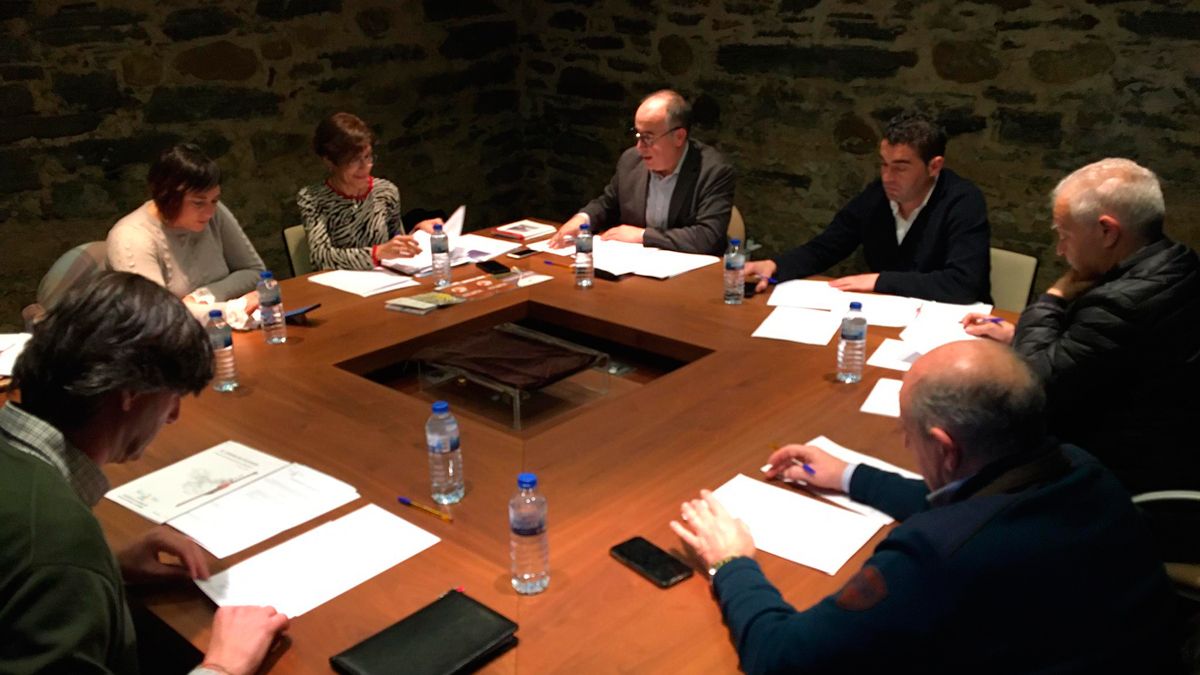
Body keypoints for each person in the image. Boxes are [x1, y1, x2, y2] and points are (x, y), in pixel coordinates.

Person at [671, 340, 1176, 674]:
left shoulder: (936, 557)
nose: (907, 447)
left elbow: (782, 660)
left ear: (945, 447)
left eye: (907, 436)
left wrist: (731, 563)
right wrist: (848, 475)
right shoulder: (1080, 469)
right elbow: (972, 502)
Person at [1, 272, 288, 674]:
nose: (173, 416)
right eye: (172, 396)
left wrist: (107, 569)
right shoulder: (56, 540)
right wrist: (225, 664)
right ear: (131, 392)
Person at [963, 158, 1200, 493]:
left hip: (1116, 470)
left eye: (1064, 235)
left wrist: (1053, 297)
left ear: (1107, 231)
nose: (1060, 251)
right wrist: (1019, 333)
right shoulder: (1180, 261)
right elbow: (1107, 353)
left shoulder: (1119, 302)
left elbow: (1033, 385)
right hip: (1170, 445)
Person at [744, 111, 990, 303]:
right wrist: (777, 266)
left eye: (901, 167)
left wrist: (880, 281)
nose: (888, 177)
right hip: (890, 317)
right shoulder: (877, 197)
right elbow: (827, 246)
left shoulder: (962, 201)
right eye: (884, 164)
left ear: (934, 166)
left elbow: (964, 283)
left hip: (954, 323)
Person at [547, 89, 735, 256]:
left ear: (679, 137)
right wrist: (581, 220)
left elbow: (706, 237)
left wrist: (643, 236)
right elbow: (607, 204)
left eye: (648, 138)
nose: (639, 147)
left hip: (692, 277)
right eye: (637, 135)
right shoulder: (631, 161)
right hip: (636, 268)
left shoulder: (714, 171)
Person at [107, 143, 266, 322]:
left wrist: (203, 297)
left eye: (214, 200)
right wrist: (233, 310)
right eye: (198, 203)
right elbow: (156, 316)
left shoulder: (214, 212)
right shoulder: (131, 237)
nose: (209, 212)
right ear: (167, 196)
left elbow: (255, 271)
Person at [297, 112, 443, 271]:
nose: (364, 166)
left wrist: (418, 233)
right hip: (340, 287)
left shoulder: (386, 191)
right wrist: (376, 253)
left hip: (385, 281)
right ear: (330, 161)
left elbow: (395, 244)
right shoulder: (312, 198)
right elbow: (321, 257)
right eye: (353, 160)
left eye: (367, 157)